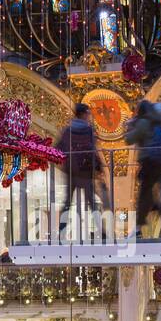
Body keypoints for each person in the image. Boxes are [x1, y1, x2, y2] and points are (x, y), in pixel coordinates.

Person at [125, 100, 161, 238]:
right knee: (159, 196)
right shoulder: (159, 122)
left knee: (144, 196)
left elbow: (128, 139)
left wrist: (129, 127)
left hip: (150, 163)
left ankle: (140, 227)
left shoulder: (144, 122)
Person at [55, 102, 101, 241]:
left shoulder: (67, 130)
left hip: (71, 170)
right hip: (85, 171)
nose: (89, 116)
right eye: (88, 113)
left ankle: (61, 232)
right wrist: (98, 167)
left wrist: (67, 160)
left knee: (67, 202)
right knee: (92, 202)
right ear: (83, 114)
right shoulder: (89, 130)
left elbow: (58, 149)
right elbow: (93, 150)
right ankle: (101, 230)